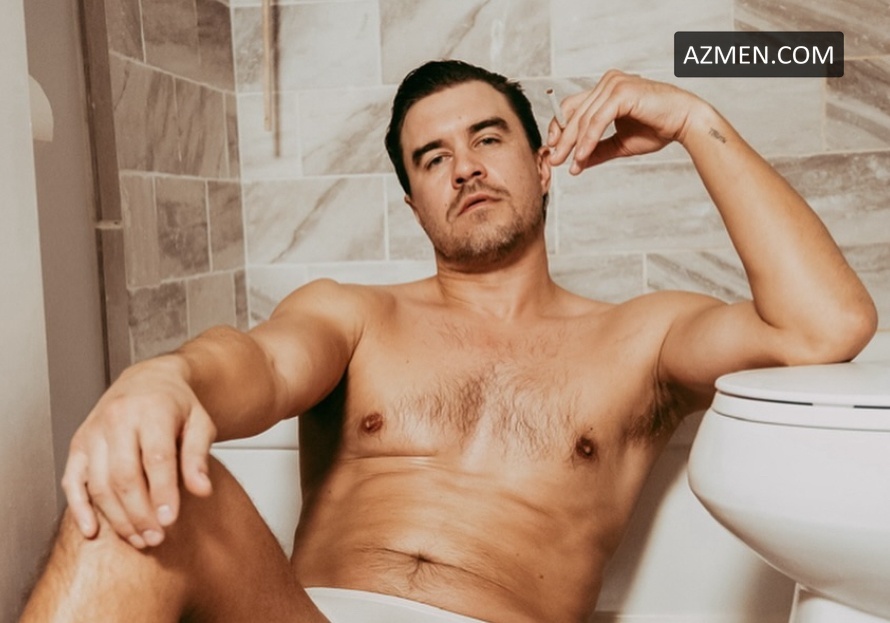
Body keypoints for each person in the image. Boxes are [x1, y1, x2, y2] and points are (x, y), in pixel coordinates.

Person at [20, 59, 876, 623]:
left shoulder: (640, 338)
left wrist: (693, 117)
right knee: (137, 501)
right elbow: (260, 362)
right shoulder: (356, 315)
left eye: (487, 138)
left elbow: (826, 323)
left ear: (541, 162)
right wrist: (165, 377)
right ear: (414, 204)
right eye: (432, 158)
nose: (464, 167)